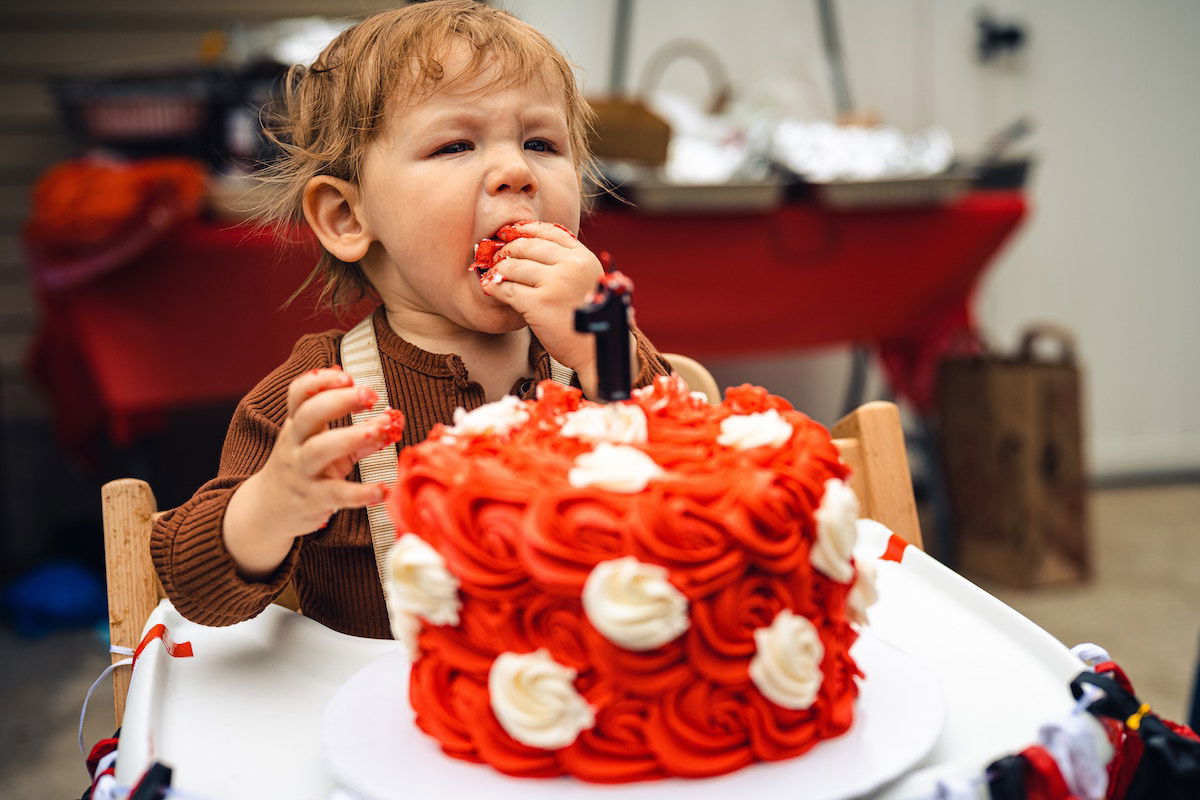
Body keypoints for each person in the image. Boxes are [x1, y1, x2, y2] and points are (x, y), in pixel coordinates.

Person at [151, 0, 672, 640]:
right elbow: (195, 592)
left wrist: (605, 354)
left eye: (542, 143)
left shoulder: (605, 353)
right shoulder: (325, 396)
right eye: (455, 144)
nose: (517, 172)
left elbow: (686, 502)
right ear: (347, 218)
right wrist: (271, 506)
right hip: (385, 717)